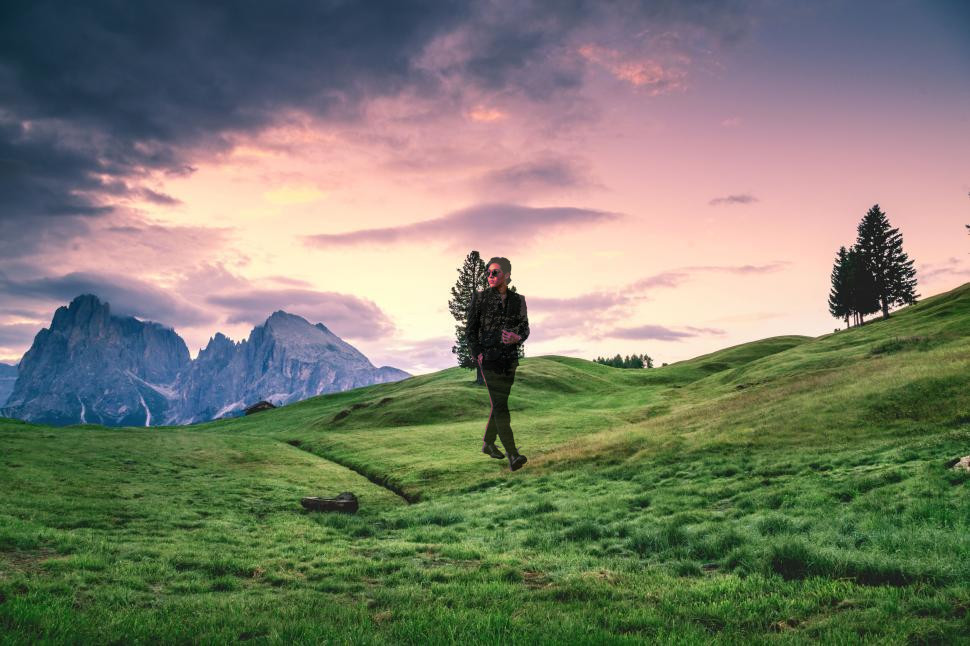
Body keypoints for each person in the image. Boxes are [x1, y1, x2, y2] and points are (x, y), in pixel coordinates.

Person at [465, 256, 530, 471]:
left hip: (509, 361)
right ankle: (513, 454)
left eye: (495, 272)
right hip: (489, 360)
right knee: (501, 407)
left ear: (507, 275)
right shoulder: (480, 298)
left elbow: (525, 328)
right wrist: (478, 354)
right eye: (488, 272)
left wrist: (517, 337)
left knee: (499, 404)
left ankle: (488, 443)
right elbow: (470, 331)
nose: (490, 276)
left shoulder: (518, 300)